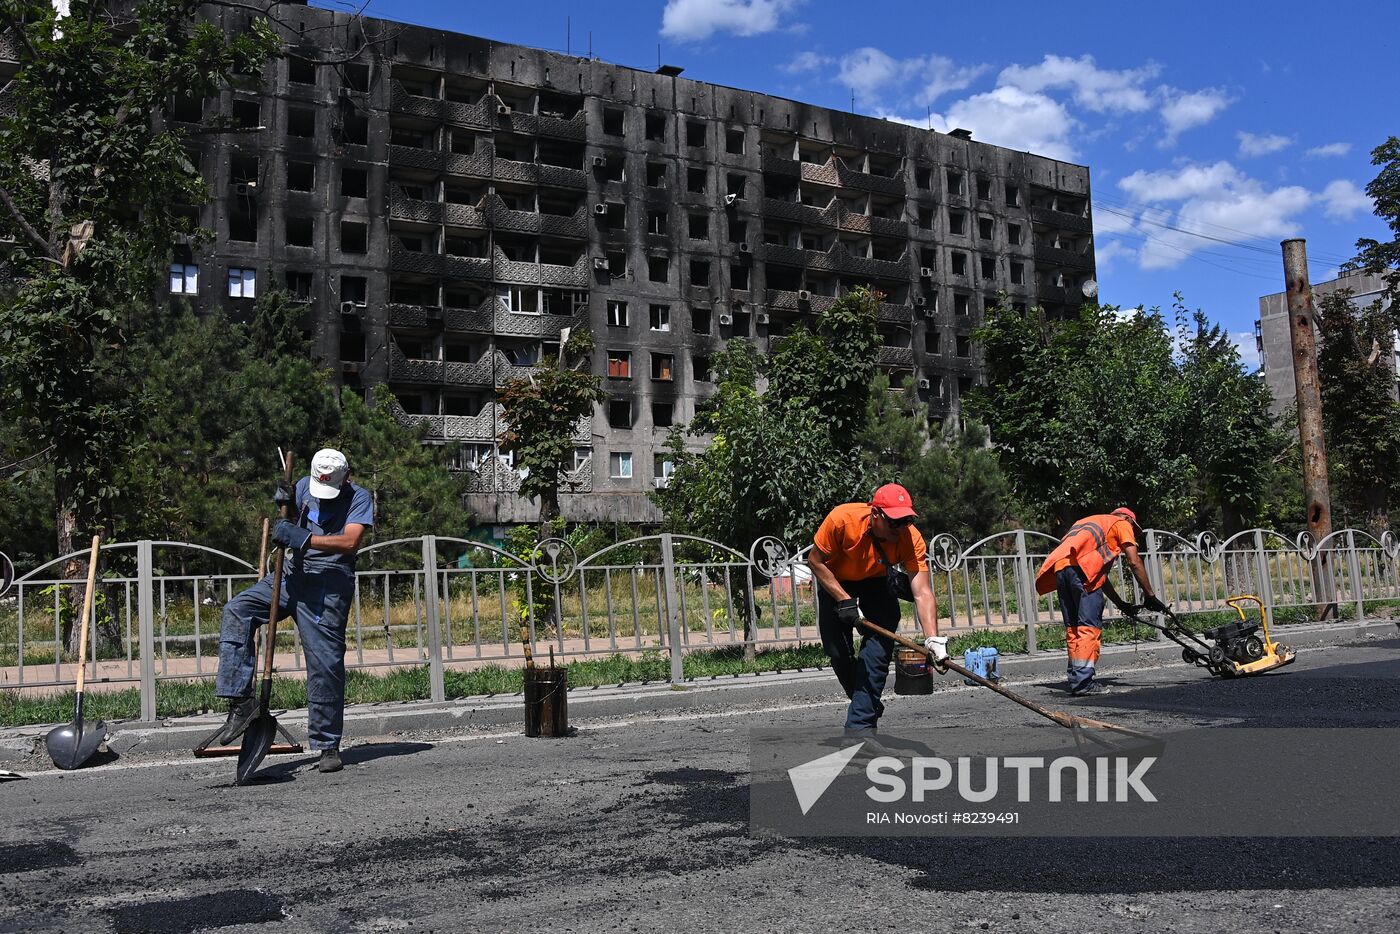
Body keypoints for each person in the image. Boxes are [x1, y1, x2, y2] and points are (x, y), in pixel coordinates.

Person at [214, 449, 374, 773]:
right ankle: (241, 702)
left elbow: (350, 542)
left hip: (328, 586)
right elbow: (288, 520)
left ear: (347, 477)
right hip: (290, 576)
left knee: (325, 664)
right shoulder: (303, 485)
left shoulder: (359, 498)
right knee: (237, 610)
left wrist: (303, 538)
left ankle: (327, 744)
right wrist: (282, 506)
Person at [808, 483, 944, 746]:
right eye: (894, 522)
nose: (900, 527)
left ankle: (860, 726)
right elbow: (815, 561)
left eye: (906, 520)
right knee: (838, 654)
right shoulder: (842, 520)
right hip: (836, 582)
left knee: (876, 656)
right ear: (875, 514)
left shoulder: (910, 537)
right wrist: (844, 600)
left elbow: (922, 592)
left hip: (877, 585)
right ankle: (866, 702)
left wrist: (933, 640)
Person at [1034, 507, 1166, 697]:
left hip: (1061, 570)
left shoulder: (1090, 522)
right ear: (1128, 519)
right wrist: (1150, 596)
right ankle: (1084, 682)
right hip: (1080, 573)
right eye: (1133, 529)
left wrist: (1120, 603)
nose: (1131, 535)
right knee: (1089, 626)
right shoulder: (1121, 523)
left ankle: (1076, 676)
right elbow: (1134, 562)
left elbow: (1099, 578)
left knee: (1074, 627)